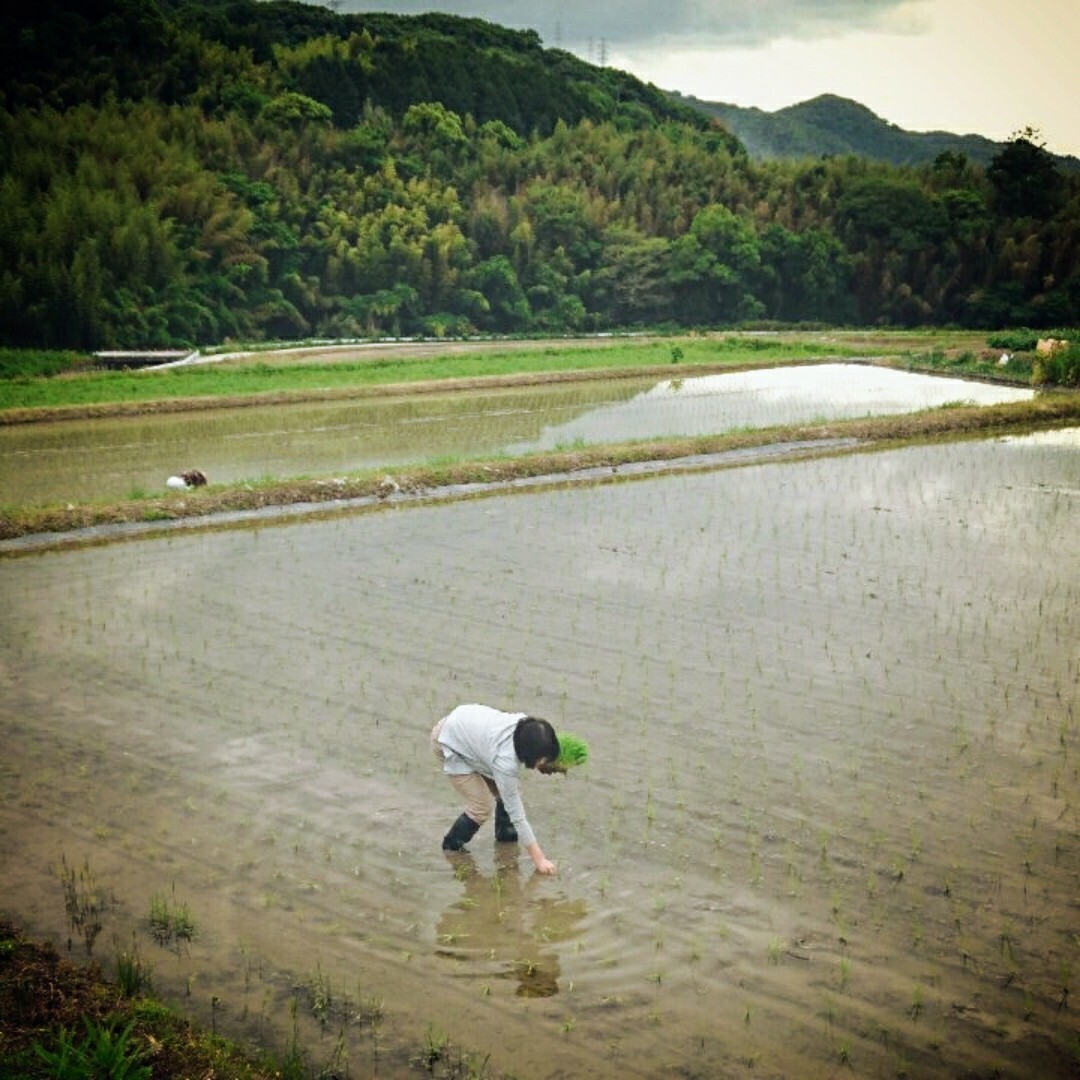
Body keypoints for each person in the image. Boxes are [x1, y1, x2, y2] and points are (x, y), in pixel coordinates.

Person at [431, 703, 559, 875]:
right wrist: (540, 859)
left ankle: (506, 845)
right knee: (482, 807)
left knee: (507, 792)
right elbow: (518, 815)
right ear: (529, 754)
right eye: (542, 760)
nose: (543, 764)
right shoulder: (505, 762)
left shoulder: (525, 725)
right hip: (448, 742)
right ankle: (451, 850)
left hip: (467, 730)